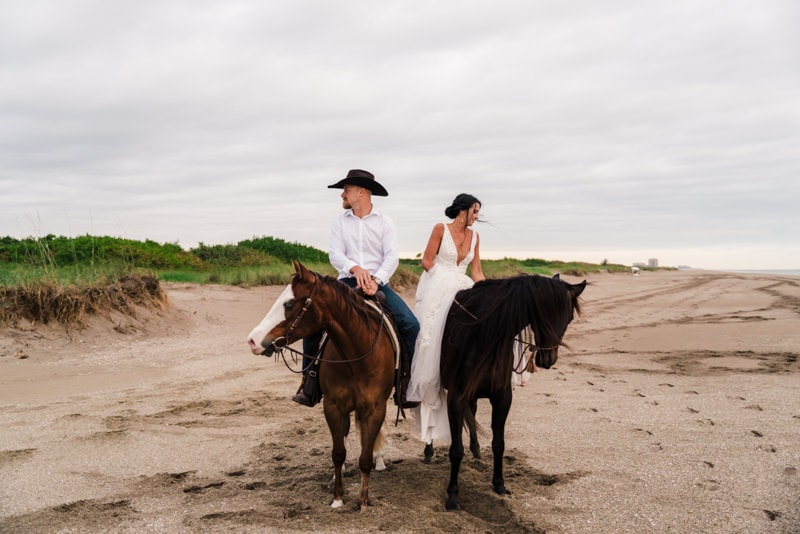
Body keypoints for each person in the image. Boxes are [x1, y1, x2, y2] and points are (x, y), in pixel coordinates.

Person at [292, 169, 421, 406]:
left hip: (378, 283)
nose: (343, 194)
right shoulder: (340, 222)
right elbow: (335, 254)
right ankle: (309, 383)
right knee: (313, 324)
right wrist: (355, 269)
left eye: (347, 190)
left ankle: (405, 385)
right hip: (346, 283)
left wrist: (376, 279)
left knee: (411, 326)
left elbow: (392, 257)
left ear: (361, 192)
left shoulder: (385, 222)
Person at [406, 193, 485, 446]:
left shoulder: (475, 237)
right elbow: (426, 261)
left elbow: (476, 272)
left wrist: (487, 292)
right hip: (437, 285)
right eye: (475, 211)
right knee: (428, 338)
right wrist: (445, 280)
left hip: (463, 283)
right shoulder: (441, 228)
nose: (477, 216)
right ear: (463, 211)